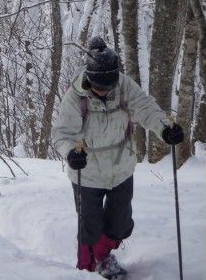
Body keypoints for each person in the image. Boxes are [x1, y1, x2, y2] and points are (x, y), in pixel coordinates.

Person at [52, 37, 184, 279]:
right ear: (90, 78)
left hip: (121, 166)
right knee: (89, 228)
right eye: (99, 86)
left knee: (121, 226)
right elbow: (62, 133)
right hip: (87, 171)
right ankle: (86, 271)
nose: (104, 90)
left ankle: (102, 257)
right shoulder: (75, 96)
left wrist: (165, 128)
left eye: (108, 85)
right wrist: (71, 152)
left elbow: (145, 108)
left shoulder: (123, 85)